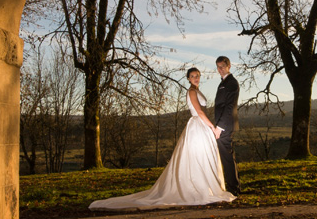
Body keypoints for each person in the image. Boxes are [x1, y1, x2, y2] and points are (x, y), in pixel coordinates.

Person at [88, 67, 235, 210]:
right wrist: (212, 127)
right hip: (198, 124)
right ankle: (197, 189)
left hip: (201, 125)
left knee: (202, 157)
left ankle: (205, 186)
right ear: (188, 79)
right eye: (192, 76)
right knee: (196, 157)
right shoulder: (191, 91)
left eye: (197, 75)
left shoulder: (196, 90)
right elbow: (199, 112)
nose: (195, 78)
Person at [213, 55, 240, 195]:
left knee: (227, 158)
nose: (220, 69)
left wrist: (220, 127)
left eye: (222, 67)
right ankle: (233, 186)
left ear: (229, 66)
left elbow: (229, 107)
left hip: (226, 125)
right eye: (218, 67)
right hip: (223, 124)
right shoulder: (224, 82)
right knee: (227, 156)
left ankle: (233, 189)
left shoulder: (231, 83)